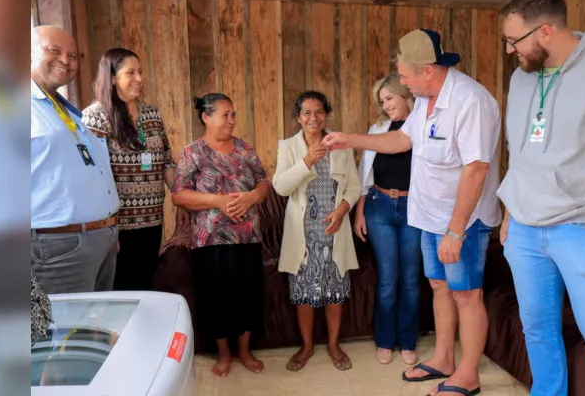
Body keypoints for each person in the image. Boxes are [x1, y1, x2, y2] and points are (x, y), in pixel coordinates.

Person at [324, 29, 502, 396]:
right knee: (439, 286)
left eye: (404, 75)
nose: (401, 81)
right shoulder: (425, 99)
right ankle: (443, 359)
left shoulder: (471, 101)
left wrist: (455, 231)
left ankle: (468, 375)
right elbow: (403, 140)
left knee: (466, 293)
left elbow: (476, 168)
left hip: (463, 220)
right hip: (430, 215)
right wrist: (350, 139)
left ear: (427, 71)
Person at [497, 0, 585, 395]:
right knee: (537, 329)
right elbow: (516, 149)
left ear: (545, 31)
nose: (509, 50)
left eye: (513, 40)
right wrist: (510, 211)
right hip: (524, 228)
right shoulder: (523, 74)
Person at [171, 93, 270, 377]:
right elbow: (179, 196)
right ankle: (224, 353)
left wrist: (252, 196)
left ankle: (244, 350)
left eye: (233, 115)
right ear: (206, 117)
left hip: (248, 237)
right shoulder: (193, 152)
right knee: (216, 297)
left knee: (248, 294)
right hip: (210, 240)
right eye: (225, 114)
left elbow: (264, 182)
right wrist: (220, 201)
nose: (231, 120)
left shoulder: (244, 148)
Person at [273, 91, 361, 372]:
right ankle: (307, 346)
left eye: (319, 111)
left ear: (326, 114)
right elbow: (281, 187)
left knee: (335, 292)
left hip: (335, 230)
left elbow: (354, 186)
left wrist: (343, 209)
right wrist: (307, 161)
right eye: (307, 113)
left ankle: (334, 344)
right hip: (303, 235)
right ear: (298, 118)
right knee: (303, 294)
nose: (314, 117)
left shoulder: (340, 144)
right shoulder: (288, 147)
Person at [31, 25, 120, 294]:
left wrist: (106, 228)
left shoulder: (62, 106)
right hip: (59, 244)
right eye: (54, 50)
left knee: (94, 328)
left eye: (72, 56)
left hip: (99, 239)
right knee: (66, 332)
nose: (66, 61)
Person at [82, 48, 177, 291]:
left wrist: (183, 197)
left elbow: (166, 160)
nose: (139, 78)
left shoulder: (151, 114)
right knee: (122, 290)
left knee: (145, 286)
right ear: (112, 78)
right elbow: (91, 177)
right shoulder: (96, 117)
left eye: (140, 72)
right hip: (118, 227)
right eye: (130, 72)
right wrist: (106, 228)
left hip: (153, 220)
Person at [354, 73, 421, 366]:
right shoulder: (378, 128)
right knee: (387, 279)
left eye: (389, 98)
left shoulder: (422, 125)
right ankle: (384, 340)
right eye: (382, 101)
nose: (386, 105)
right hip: (379, 207)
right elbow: (364, 177)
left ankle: (407, 340)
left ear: (404, 94)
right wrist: (359, 212)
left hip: (414, 208)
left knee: (410, 279)